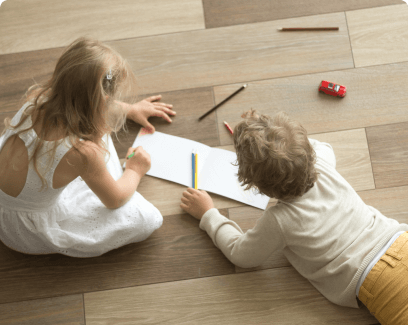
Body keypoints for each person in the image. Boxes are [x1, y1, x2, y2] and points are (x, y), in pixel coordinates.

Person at [180, 109, 408, 324]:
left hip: (377, 280)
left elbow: (241, 255)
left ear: (258, 187)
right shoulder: (323, 162)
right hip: (400, 243)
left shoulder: (280, 220)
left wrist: (209, 214)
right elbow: (322, 147)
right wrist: (284, 141)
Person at [0, 37, 176, 258]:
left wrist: (129, 110)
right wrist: (135, 169)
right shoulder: (82, 153)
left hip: (8, 194)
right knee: (146, 218)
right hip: (23, 228)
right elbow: (115, 200)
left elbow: (84, 100)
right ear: (103, 101)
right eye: (109, 102)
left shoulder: (37, 99)